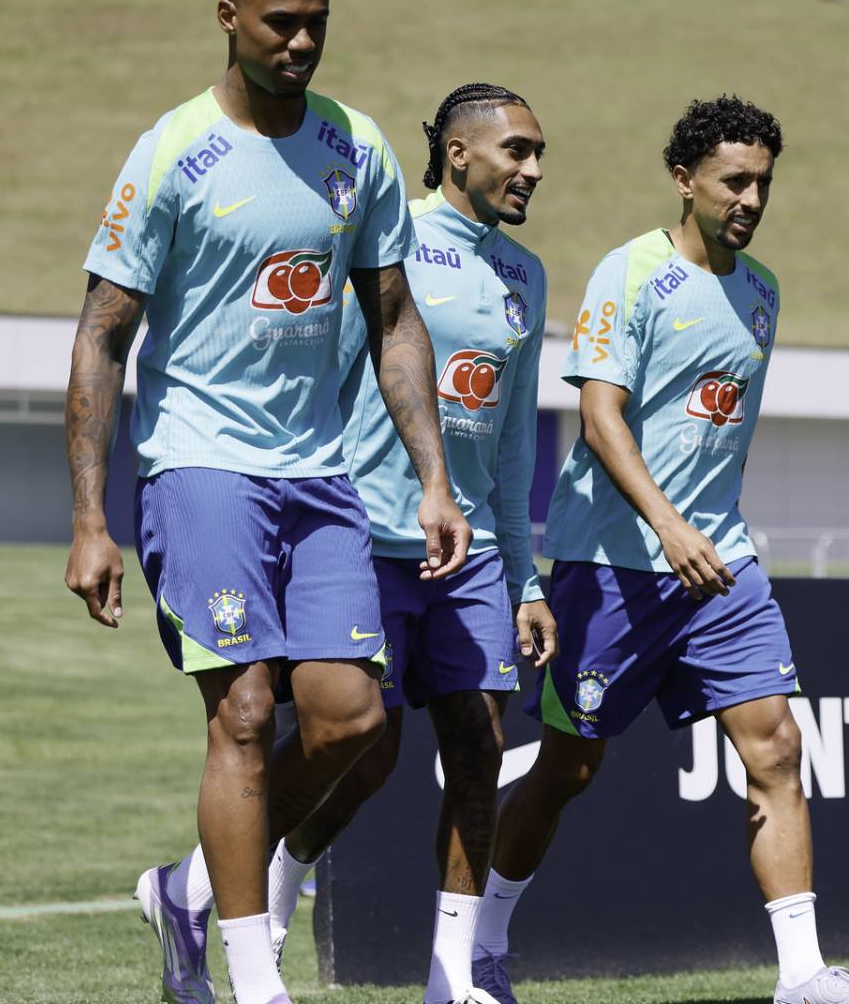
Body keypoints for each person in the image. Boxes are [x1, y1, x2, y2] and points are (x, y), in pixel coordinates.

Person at [61, 0, 469, 1004]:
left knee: (350, 721)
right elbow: (103, 336)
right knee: (243, 713)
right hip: (199, 466)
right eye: (281, 21)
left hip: (320, 477)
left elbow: (394, 319)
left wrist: (433, 478)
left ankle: (190, 888)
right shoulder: (171, 151)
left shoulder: (358, 147)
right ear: (228, 16)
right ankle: (256, 978)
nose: (300, 40)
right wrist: (91, 520)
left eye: (316, 22)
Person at [469, 97, 849, 1004]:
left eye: (764, 183)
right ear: (685, 180)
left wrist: (703, 533)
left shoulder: (763, 292)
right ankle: (483, 944)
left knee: (777, 748)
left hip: (720, 567)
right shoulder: (629, 272)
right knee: (568, 769)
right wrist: (669, 526)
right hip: (612, 566)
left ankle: (803, 977)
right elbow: (600, 418)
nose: (752, 199)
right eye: (734, 181)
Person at [137, 83, 559, 1004]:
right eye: (517, 151)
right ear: (457, 153)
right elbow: (315, 375)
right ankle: (227, 885)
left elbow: (515, 441)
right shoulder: (383, 233)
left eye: (539, 155)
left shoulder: (525, 275)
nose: (533, 169)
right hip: (362, 530)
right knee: (361, 751)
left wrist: (525, 576)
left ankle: (453, 979)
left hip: (469, 547)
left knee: (480, 746)